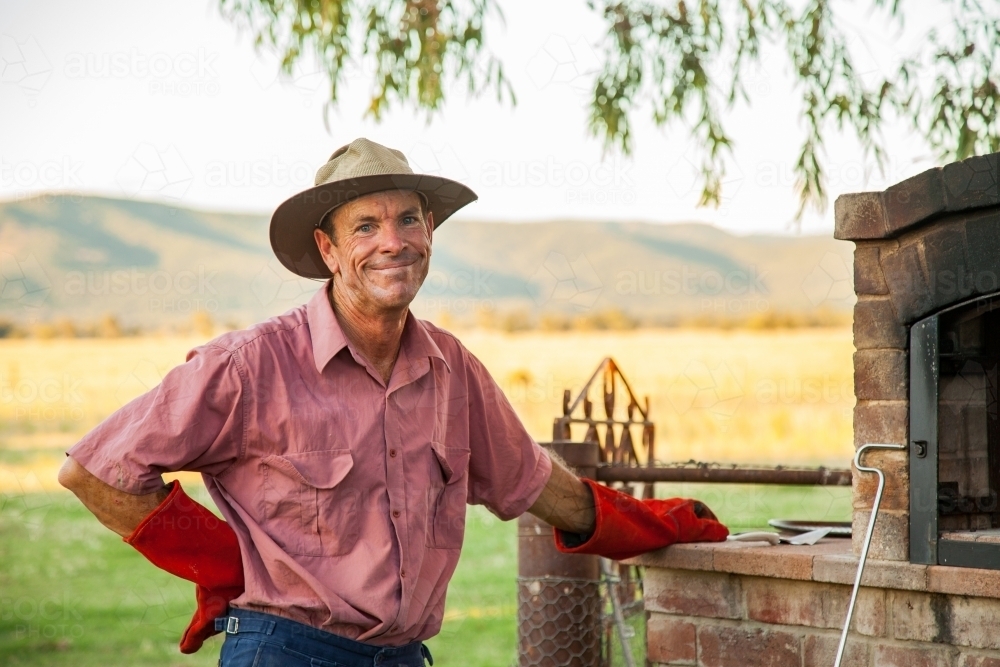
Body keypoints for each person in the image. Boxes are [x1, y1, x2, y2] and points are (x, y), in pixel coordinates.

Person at [58, 138, 728, 667]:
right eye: (365, 227)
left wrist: (650, 523)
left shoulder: (452, 370)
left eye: (408, 218)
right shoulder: (251, 364)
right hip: (288, 654)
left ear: (430, 230)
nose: (393, 241)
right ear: (327, 249)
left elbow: (534, 482)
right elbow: (94, 470)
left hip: (406, 658)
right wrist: (226, 561)